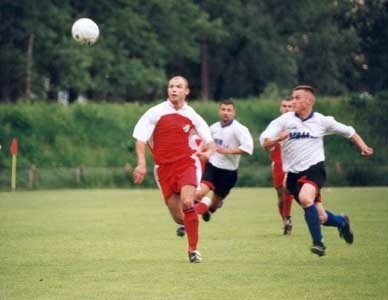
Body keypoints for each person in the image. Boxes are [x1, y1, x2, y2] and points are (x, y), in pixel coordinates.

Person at [259, 85, 373, 256]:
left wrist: (363, 146)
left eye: (297, 98)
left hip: (314, 170)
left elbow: (349, 131)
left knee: (305, 199)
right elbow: (265, 143)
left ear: (309, 101)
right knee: (321, 217)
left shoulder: (321, 121)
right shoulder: (283, 121)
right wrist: (277, 138)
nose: (293, 101)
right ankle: (342, 222)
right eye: (293, 97)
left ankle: (318, 244)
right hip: (292, 176)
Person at [132, 76, 216, 263]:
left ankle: (193, 250)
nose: (174, 89)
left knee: (187, 202)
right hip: (163, 169)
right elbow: (140, 138)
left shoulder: (192, 115)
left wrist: (209, 151)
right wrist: (141, 163)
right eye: (171, 86)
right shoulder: (155, 112)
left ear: (186, 91)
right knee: (180, 219)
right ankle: (204, 205)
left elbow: (209, 140)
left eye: (179, 86)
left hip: (186, 164)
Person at [195, 98, 254, 222]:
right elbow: (206, 141)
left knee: (213, 207)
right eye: (223, 109)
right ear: (219, 111)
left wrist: (227, 151)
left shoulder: (239, 129)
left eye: (229, 110)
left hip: (229, 173)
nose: (225, 112)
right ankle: (186, 221)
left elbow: (248, 148)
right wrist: (201, 152)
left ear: (234, 113)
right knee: (199, 193)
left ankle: (208, 208)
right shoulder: (213, 127)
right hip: (212, 167)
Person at [267, 98, 294, 235]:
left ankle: (288, 218)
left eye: (290, 106)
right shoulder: (275, 126)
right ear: (280, 108)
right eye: (284, 106)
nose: (287, 108)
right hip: (278, 163)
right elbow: (266, 144)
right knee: (280, 196)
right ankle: (285, 221)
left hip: (294, 164)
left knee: (287, 188)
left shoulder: (297, 125)